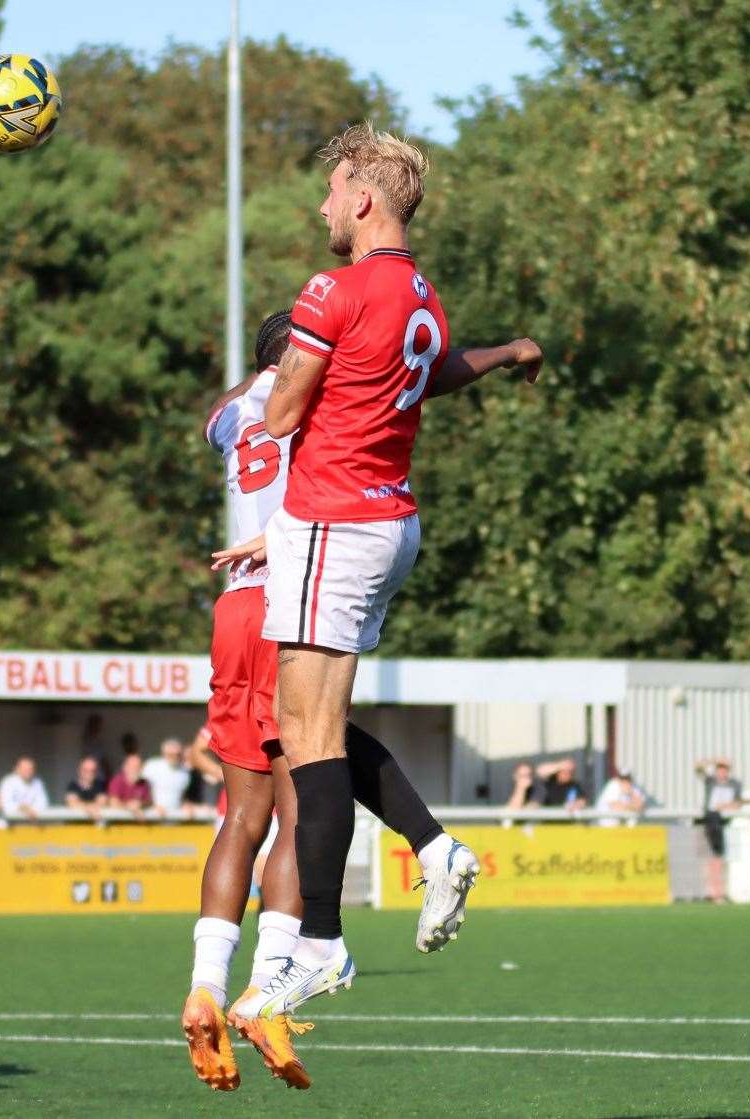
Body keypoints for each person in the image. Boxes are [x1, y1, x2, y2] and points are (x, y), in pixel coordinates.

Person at [228, 144, 543, 1019]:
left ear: (365, 200)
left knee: (305, 734)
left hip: (335, 518)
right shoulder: (421, 295)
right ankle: (434, 850)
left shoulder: (333, 292)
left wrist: (271, 390)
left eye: (331, 191)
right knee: (316, 723)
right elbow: (430, 373)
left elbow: (286, 411)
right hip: (386, 519)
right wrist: (513, 348)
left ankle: (320, 945)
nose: (322, 208)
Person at [186, 309, 521, 1087]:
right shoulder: (316, 398)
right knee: (311, 778)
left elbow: (232, 399)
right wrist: (502, 351)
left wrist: (270, 357)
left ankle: (207, 981)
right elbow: (415, 382)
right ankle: (270, 984)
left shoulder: (234, 413)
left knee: (241, 815)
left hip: (232, 609)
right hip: (293, 592)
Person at [696, 759, 742, 903]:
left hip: (727, 824)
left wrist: (725, 805)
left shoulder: (734, 784)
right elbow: (697, 767)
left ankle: (719, 892)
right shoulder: (711, 781)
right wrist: (714, 759)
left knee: (721, 859)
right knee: (712, 858)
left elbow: (738, 803)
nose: (722, 772)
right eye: (720, 769)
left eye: (725, 769)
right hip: (711, 822)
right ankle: (714, 892)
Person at [141, 737, 195, 818]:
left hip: (174, 820)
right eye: (171, 754)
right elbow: (140, 790)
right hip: (152, 818)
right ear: (164, 753)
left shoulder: (185, 773)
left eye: (177, 755)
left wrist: (185, 805)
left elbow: (181, 796)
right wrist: (152, 805)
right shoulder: (152, 766)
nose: (174, 757)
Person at [0, 756, 47, 822]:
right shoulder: (8, 781)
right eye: (24, 769)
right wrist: (22, 808)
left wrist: (31, 810)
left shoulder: (37, 782)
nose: (28, 771)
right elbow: (5, 804)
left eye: (30, 769)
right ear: (17, 769)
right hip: (9, 825)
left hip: (30, 823)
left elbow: (43, 802)